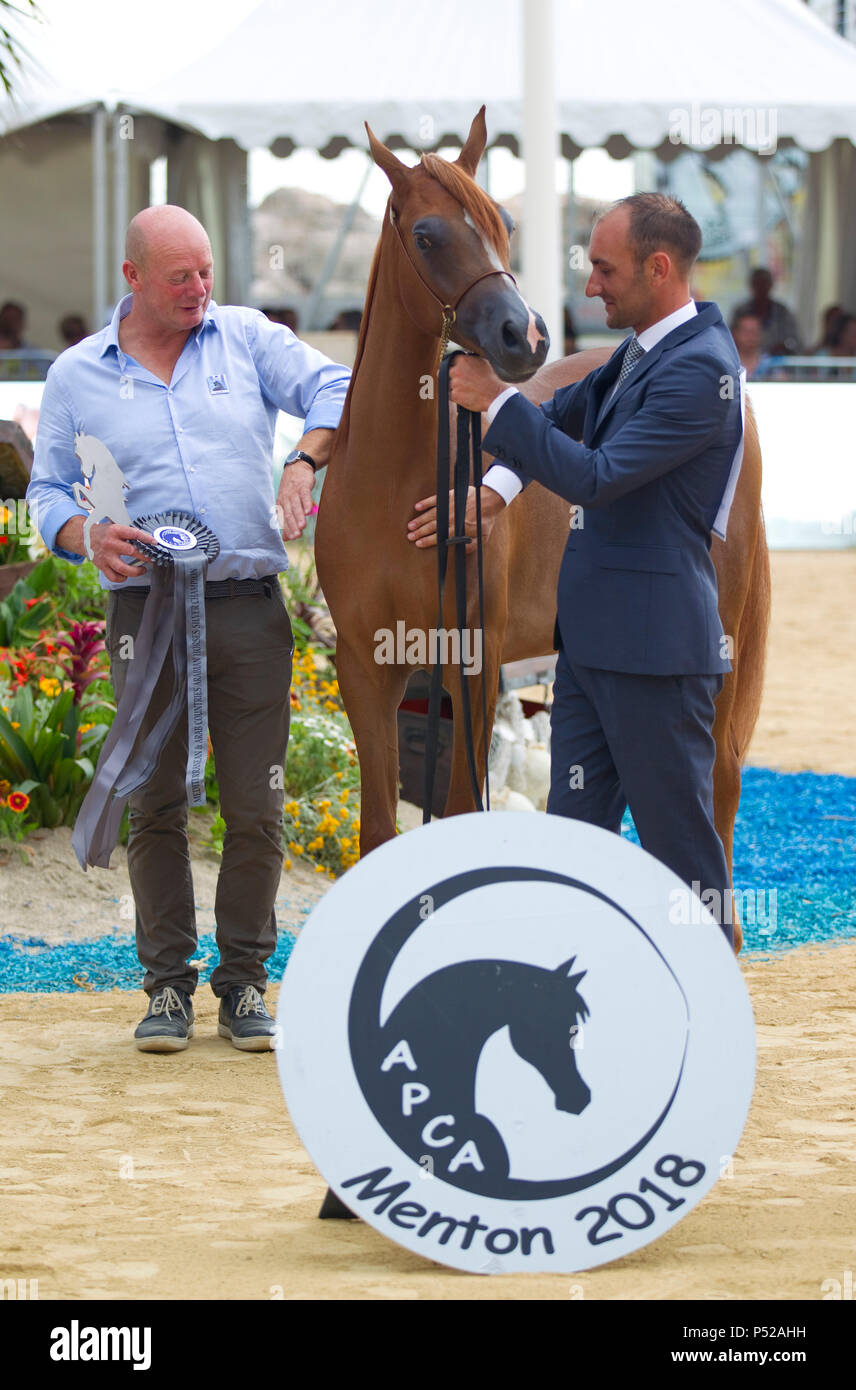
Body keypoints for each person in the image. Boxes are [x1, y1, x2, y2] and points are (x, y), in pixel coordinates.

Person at [27, 205, 350, 1052]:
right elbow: (48, 492)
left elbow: (336, 386)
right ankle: (165, 989)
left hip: (249, 608)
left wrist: (303, 458)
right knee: (155, 803)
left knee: (258, 805)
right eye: (181, 277)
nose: (201, 290)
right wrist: (85, 536)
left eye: (207, 272)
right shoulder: (75, 375)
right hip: (144, 612)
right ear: (132, 279)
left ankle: (244, 983)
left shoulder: (245, 338)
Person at [408, 193, 743, 945]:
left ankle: (711, 1010)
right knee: (571, 849)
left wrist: (494, 401)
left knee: (681, 854)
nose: (591, 286)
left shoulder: (699, 372)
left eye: (603, 268)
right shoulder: (641, 353)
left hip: (656, 656)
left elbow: (597, 476)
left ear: (659, 268)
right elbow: (559, 417)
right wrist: (492, 491)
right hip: (591, 651)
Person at [733, 267, 801, 355]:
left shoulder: (782, 312)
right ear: (752, 286)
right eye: (758, 284)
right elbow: (730, 338)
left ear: (770, 286)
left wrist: (783, 346)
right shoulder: (740, 311)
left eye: (764, 284)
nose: (761, 288)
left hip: (776, 362)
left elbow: (795, 341)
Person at [730, 308, 769, 379]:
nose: (750, 336)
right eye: (745, 331)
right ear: (734, 334)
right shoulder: (727, 364)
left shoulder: (771, 363)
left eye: (754, 331)